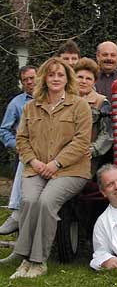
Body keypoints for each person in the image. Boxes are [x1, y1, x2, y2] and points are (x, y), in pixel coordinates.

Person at [7, 57, 92, 279]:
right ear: (44, 78)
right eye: (51, 74)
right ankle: (24, 259)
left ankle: (37, 261)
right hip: (36, 167)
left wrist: (56, 163)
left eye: (60, 75)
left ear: (67, 79)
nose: (55, 78)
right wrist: (34, 162)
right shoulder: (30, 106)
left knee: (46, 202)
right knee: (29, 201)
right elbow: (21, 139)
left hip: (70, 170)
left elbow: (82, 141)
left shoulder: (79, 105)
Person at [0, 66, 36, 235]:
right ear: (22, 84)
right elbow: (4, 130)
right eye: (25, 80)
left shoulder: (52, 97)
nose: (30, 82)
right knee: (25, 193)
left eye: (32, 77)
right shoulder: (16, 104)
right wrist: (17, 146)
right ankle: (17, 218)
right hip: (24, 153)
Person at [75, 57, 113, 176]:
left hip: (90, 159)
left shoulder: (101, 102)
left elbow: (107, 134)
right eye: (80, 77)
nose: (83, 81)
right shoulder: (64, 100)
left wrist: (93, 150)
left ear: (94, 81)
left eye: (88, 78)